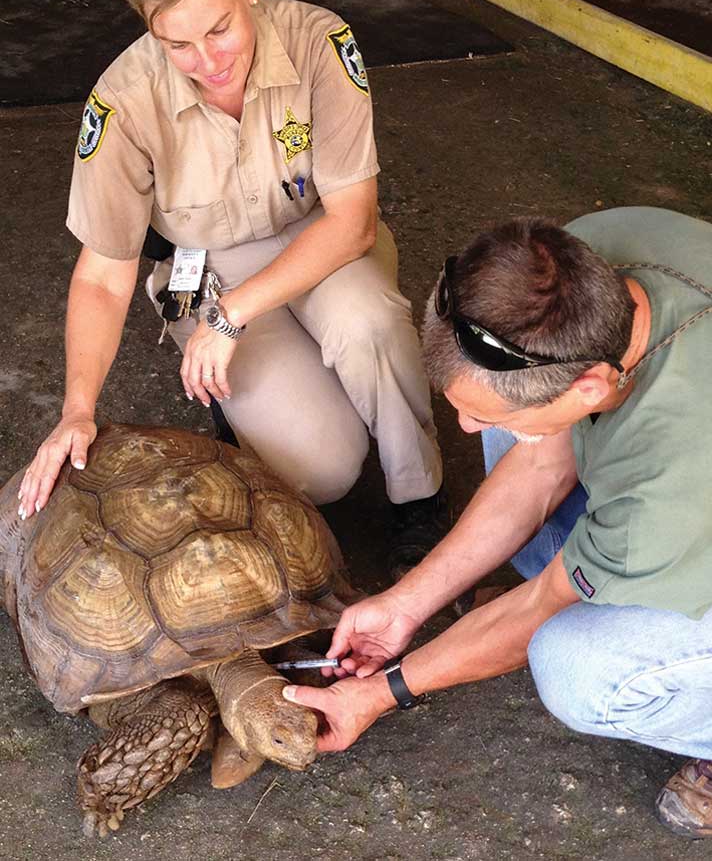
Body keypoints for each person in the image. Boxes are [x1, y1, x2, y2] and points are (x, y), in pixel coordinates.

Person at [281, 207, 712, 839]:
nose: (463, 428)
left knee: (574, 665)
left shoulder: (672, 482)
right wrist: (407, 603)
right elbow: (539, 471)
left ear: (590, 386)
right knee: (520, 437)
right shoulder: (567, 272)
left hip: (687, 500)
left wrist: (378, 694)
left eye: (475, 411)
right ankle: (597, 571)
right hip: (663, 495)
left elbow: (538, 607)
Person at [17, 0, 444, 548]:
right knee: (325, 466)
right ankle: (251, 404)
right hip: (210, 267)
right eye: (177, 44)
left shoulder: (320, 42)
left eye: (220, 29)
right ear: (147, 24)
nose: (209, 61)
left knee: (370, 326)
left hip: (323, 242)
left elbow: (352, 222)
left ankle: (420, 496)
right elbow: (104, 276)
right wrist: (77, 410)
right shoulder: (121, 103)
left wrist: (232, 317)